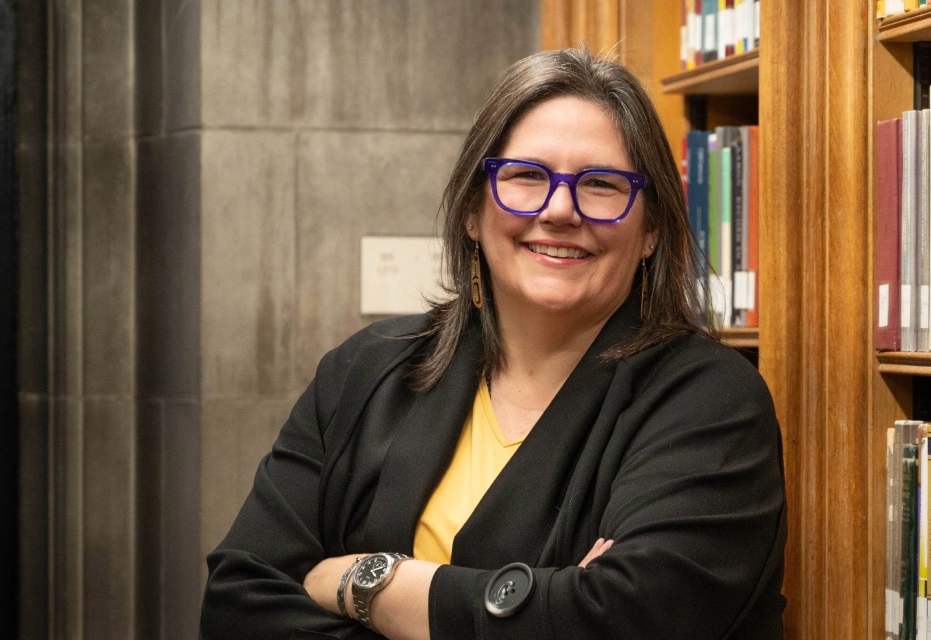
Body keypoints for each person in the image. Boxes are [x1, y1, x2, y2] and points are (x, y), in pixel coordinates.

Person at [200, 47, 786, 640]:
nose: (559, 209)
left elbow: (621, 621)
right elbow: (237, 605)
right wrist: (537, 608)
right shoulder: (366, 370)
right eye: (527, 177)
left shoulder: (712, 405)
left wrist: (367, 583)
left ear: (652, 230)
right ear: (472, 211)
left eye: (602, 184)